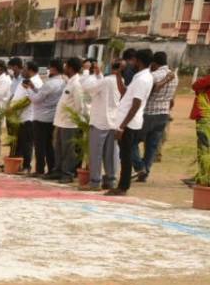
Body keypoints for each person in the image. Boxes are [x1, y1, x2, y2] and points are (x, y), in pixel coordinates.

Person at [108, 48, 154, 196]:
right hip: (128, 121)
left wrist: (122, 127)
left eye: (133, 61)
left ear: (138, 61)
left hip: (129, 123)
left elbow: (136, 104)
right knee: (124, 154)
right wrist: (118, 75)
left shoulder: (143, 79)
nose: (130, 63)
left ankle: (123, 186)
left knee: (125, 156)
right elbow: (124, 93)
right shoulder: (139, 76)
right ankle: (122, 185)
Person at [135, 51, 175, 183]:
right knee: (152, 146)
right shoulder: (174, 76)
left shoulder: (153, 76)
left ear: (154, 63)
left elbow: (151, 90)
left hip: (149, 113)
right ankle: (145, 172)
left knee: (132, 142)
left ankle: (140, 167)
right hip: (163, 113)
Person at [83, 59, 121, 190]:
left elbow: (87, 87)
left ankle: (95, 181)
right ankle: (110, 180)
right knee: (110, 154)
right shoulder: (120, 81)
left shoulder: (106, 80)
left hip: (100, 121)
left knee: (96, 153)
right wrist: (98, 75)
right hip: (113, 121)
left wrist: (91, 73)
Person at [50, 57, 87, 183]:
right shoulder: (70, 81)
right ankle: (58, 170)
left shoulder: (76, 84)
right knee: (58, 148)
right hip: (61, 121)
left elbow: (79, 105)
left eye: (66, 66)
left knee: (68, 150)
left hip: (70, 123)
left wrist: (75, 119)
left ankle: (68, 173)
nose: (64, 68)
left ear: (70, 68)